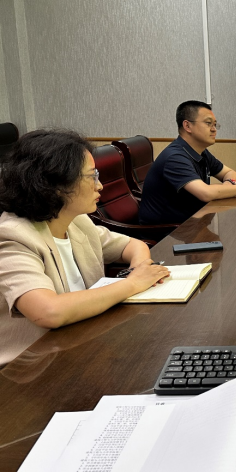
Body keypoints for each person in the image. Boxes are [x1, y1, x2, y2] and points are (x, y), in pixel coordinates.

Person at [0, 129, 170, 367]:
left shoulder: (76, 221)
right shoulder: (12, 237)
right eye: (92, 176)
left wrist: (140, 269)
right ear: (56, 184)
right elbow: (47, 312)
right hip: (31, 368)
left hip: (82, 344)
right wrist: (132, 284)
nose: (100, 186)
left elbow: (134, 245)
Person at [139, 101, 236, 225]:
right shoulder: (175, 157)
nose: (214, 129)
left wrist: (229, 184)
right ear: (187, 126)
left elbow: (230, 173)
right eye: (208, 123)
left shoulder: (200, 152)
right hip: (167, 232)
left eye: (215, 124)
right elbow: (206, 193)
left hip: (192, 222)